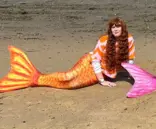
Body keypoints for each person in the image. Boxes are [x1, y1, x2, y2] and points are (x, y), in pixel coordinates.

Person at [0, 17, 136, 92]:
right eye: (113, 27)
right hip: (90, 65)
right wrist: (102, 81)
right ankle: (33, 78)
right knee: (68, 79)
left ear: (123, 28)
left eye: (118, 27)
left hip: (105, 70)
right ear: (110, 29)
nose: (116, 29)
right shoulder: (103, 41)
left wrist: (133, 77)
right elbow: (95, 60)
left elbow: (130, 60)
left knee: (73, 85)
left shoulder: (129, 39)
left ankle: (34, 78)